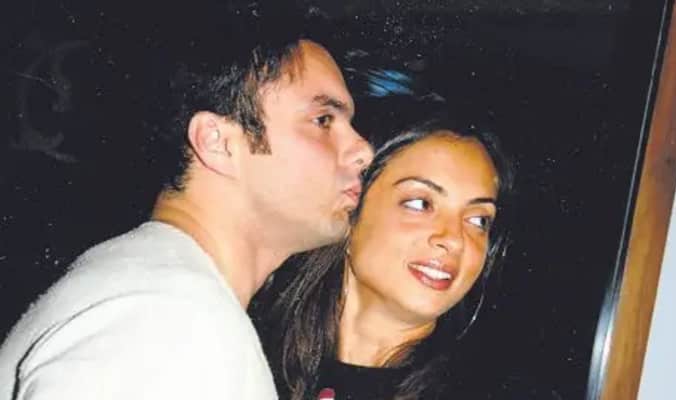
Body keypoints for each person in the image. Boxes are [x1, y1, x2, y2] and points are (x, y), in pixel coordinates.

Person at [0, 12, 373, 400]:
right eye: (323, 120)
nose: (363, 149)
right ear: (217, 142)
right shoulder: (171, 317)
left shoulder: (161, 296)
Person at [263, 116, 514, 399]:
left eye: (479, 220)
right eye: (421, 204)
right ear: (349, 210)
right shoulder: (245, 348)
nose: (455, 239)